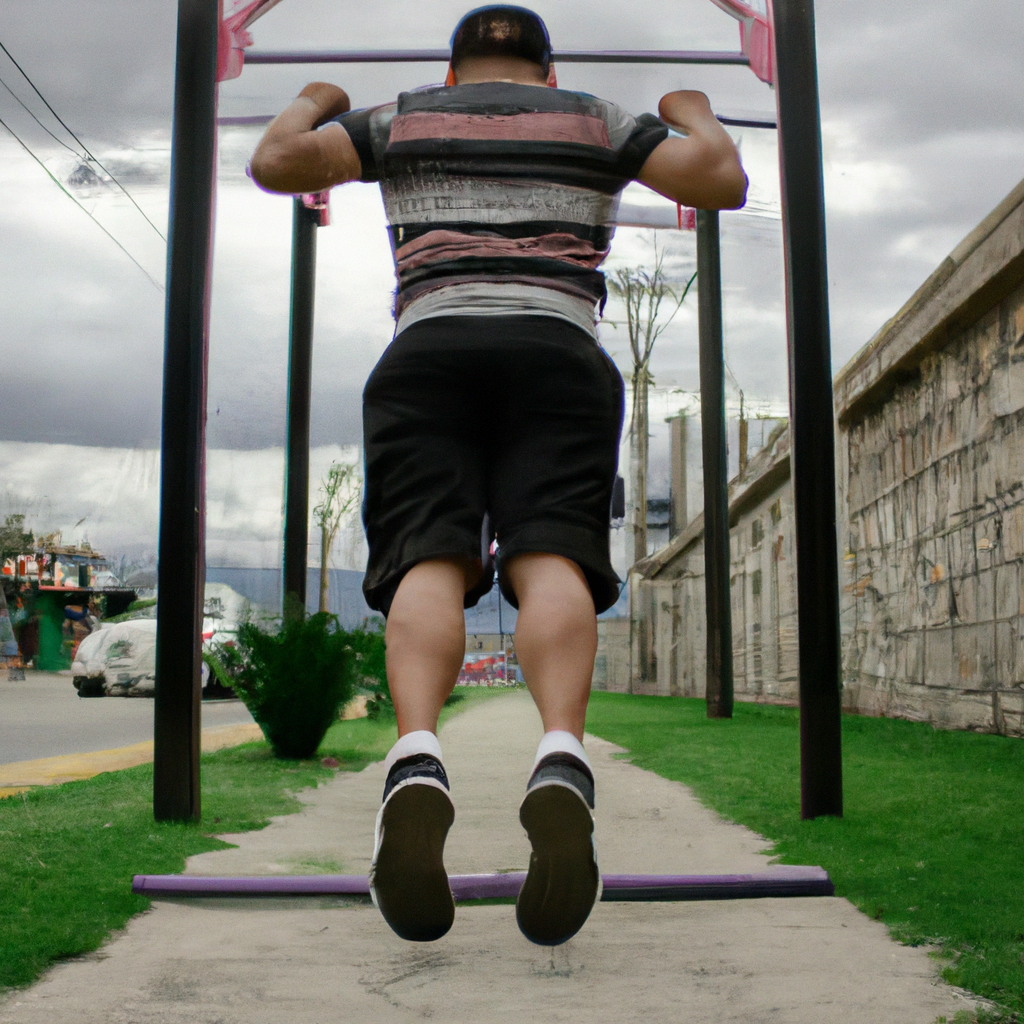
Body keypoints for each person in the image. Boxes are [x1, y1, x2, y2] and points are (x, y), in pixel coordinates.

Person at [250, 4, 746, 946]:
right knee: (552, 549)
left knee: (428, 557)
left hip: (427, 348)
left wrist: (320, 96)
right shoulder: (597, 118)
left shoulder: (406, 118)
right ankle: (561, 751)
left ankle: (417, 756)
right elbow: (720, 179)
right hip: (558, 349)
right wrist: (692, 105)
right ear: (549, 75)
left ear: (454, 68)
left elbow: (277, 162)